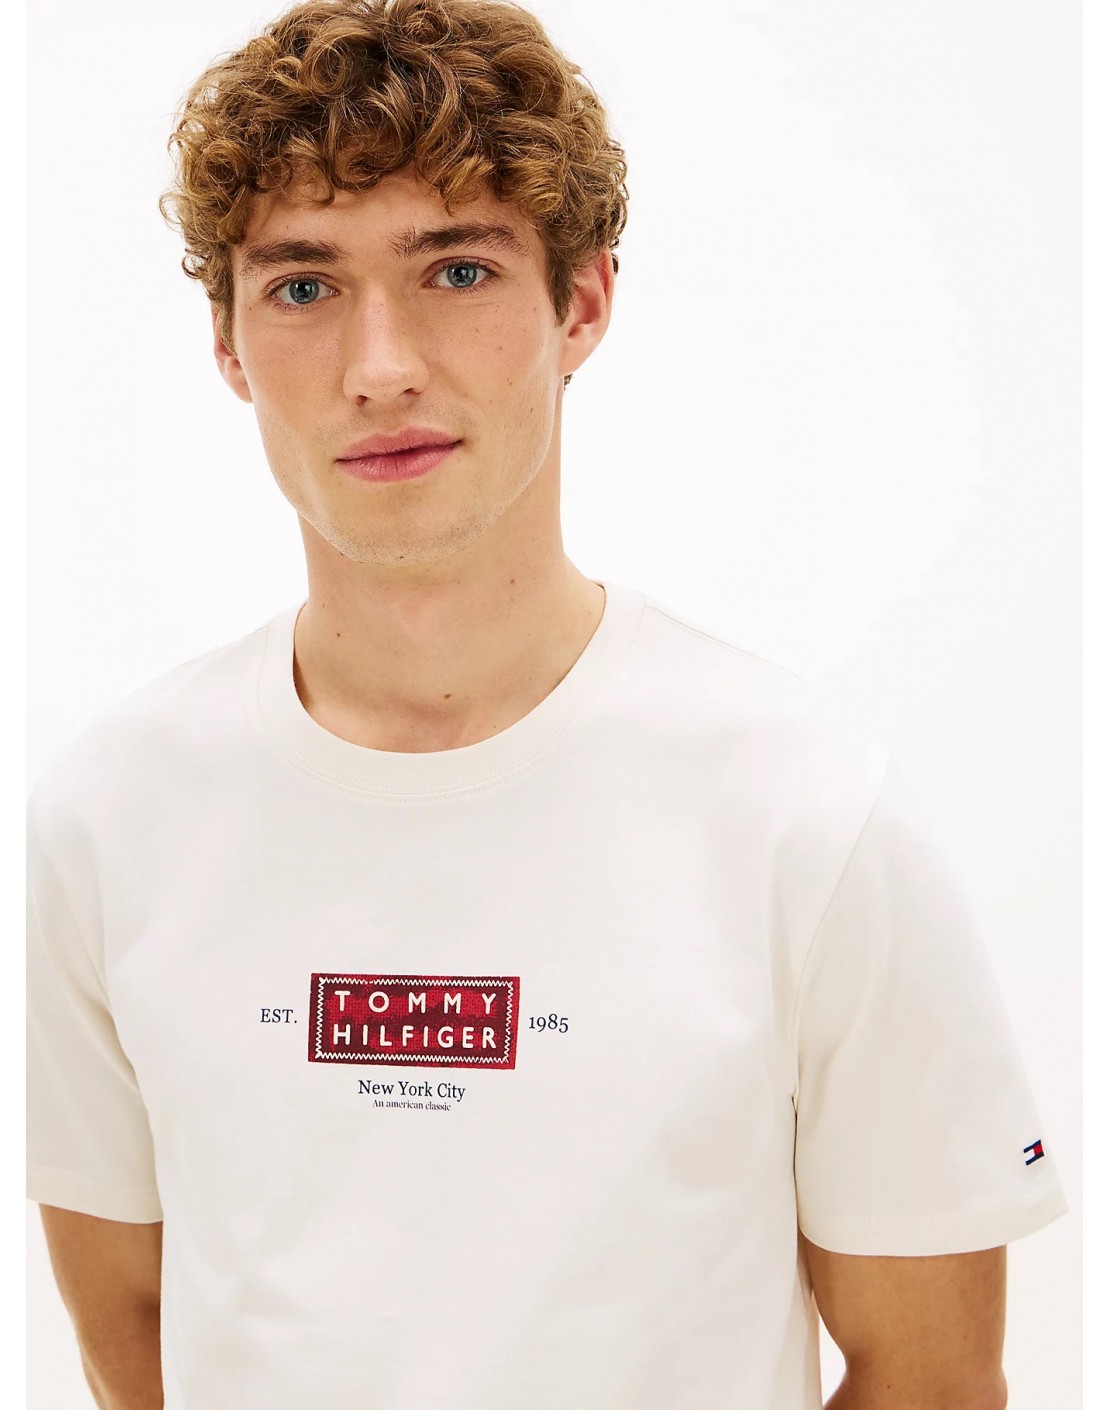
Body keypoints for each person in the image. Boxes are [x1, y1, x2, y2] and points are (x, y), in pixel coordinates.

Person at [26, 1, 1068, 1407]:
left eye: (456, 270)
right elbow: (133, 1333)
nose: (381, 365)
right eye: (303, 287)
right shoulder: (110, 816)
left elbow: (933, 1376)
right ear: (226, 342)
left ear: (581, 304)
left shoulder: (808, 815)